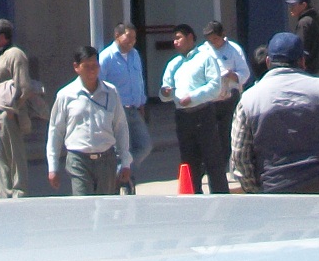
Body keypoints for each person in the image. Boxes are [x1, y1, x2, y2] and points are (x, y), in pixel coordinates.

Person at [230, 31, 319, 194]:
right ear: (302, 61)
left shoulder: (249, 100)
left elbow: (240, 154)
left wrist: (255, 189)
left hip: (273, 189)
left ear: (268, 61)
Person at [46, 46, 131, 195]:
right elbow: (55, 131)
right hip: (78, 160)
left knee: (105, 208)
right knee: (84, 206)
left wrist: (125, 161)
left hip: (106, 160)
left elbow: (121, 127)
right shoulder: (66, 95)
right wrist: (53, 167)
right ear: (76, 67)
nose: (92, 71)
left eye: (95, 66)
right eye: (87, 66)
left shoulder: (111, 92)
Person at [159, 23, 229, 194]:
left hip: (203, 114)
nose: (175, 42)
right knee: (189, 162)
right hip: (183, 117)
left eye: (178, 38)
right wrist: (165, 92)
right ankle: (194, 198)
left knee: (213, 160)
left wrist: (193, 97)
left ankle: (221, 197)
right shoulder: (173, 64)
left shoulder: (205, 58)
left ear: (190, 37)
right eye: (174, 39)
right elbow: (164, 91)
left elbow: (215, 86)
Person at [0, 19, 37, 199]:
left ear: (2, 37)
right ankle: (4, 196)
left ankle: (18, 195)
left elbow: (24, 87)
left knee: (15, 158)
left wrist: (11, 109)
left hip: (9, 116)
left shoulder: (15, 55)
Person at [97, 24, 153, 177]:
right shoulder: (106, 57)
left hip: (134, 109)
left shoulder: (135, 55)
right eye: (128, 37)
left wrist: (142, 102)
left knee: (144, 145)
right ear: (117, 36)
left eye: (134, 38)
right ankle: (123, 181)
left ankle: (122, 174)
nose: (132, 41)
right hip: (116, 111)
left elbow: (139, 80)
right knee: (120, 149)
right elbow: (99, 85)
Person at [204, 21, 250, 164]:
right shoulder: (203, 51)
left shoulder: (234, 50)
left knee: (227, 132)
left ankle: (228, 162)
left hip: (230, 95)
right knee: (211, 133)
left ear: (223, 35)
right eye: (210, 40)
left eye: (216, 39)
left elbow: (245, 73)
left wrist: (233, 75)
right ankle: (212, 163)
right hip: (211, 97)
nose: (213, 43)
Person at [288, 0, 319, 75]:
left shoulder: (304, 22)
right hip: (313, 67)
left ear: (304, 5)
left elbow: (302, 48)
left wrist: (299, 65)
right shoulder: (312, 19)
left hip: (306, 69)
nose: (291, 8)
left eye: (294, 5)